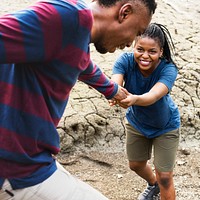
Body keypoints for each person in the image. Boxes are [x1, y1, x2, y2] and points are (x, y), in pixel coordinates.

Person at [0, 0, 157, 199]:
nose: (129, 43)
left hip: (33, 160)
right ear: (124, 13)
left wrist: (112, 90)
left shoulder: (76, 33)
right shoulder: (66, 17)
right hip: (16, 170)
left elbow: (81, 62)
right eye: (136, 32)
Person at [110, 23, 180, 200]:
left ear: (161, 52)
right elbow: (115, 83)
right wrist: (114, 93)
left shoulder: (168, 69)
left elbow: (152, 96)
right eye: (140, 49)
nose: (145, 56)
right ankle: (153, 185)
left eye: (152, 51)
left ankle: (160, 184)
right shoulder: (125, 61)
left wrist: (133, 99)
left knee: (165, 177)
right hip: (137, 124)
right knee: (136, 164)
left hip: (166, 126)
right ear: (134, 46)